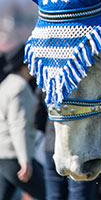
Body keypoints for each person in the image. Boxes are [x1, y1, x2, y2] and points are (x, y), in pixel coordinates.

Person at [0, 43, 46, 200]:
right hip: (14, 156)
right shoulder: (20, 88)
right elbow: (18, 126)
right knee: (48, 195)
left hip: (2, 154)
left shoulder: (7, 84)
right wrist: (25, 160)